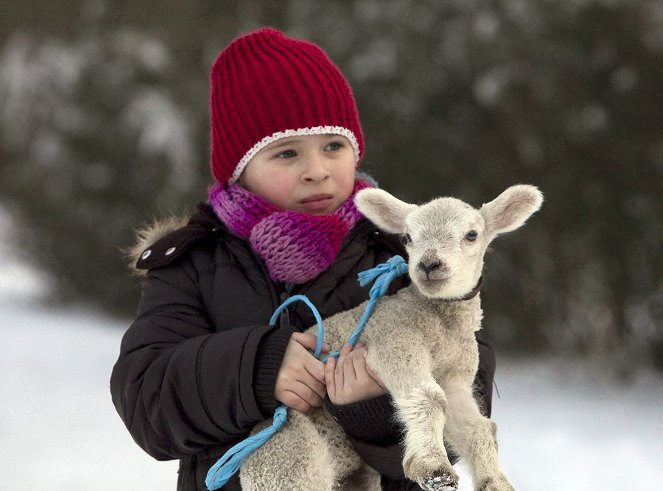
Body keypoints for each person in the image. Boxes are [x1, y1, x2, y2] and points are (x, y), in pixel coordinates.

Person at [110, 27, 495, 491]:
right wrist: (256, 367)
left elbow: (465, 378)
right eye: (286, 153)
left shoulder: (400, 252)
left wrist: (373, 413)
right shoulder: (196, 264)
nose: (317, 171)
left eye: (333, 146)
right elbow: (145, 396)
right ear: (239, 171)